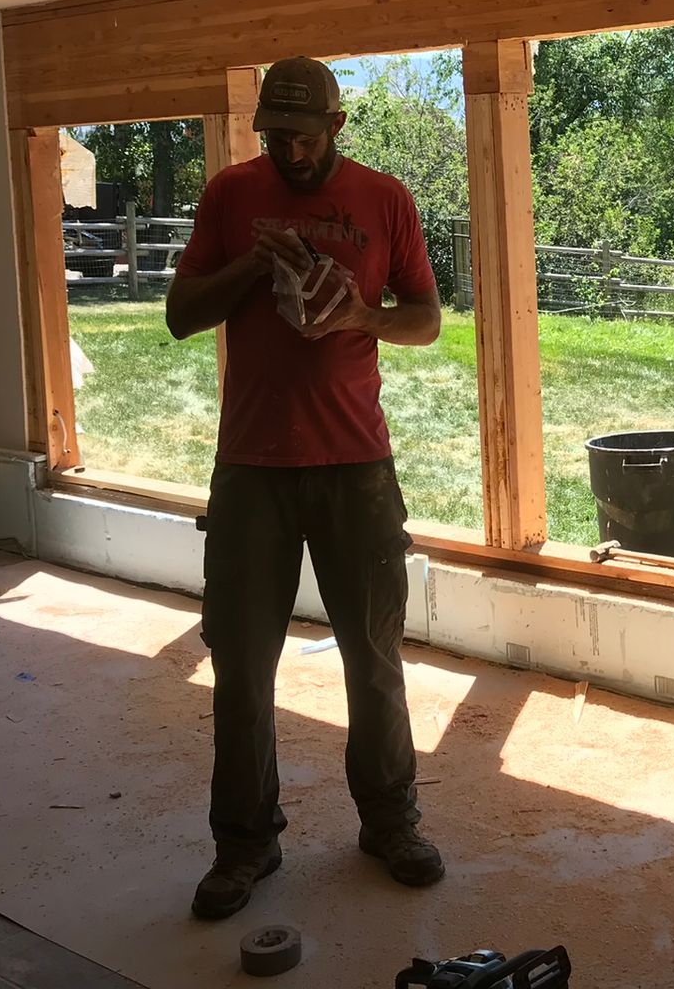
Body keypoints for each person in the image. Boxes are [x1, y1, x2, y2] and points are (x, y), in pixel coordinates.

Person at [165, 55, 445, 920]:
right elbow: (181, 314)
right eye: (273, 137)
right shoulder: (230, 196)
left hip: (357, 466)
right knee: (243, 665)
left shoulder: (383, 199)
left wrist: (362, 315)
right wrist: (254, 267)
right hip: (252, 466)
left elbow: (428, 320)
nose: (287, 151)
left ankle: (390, 821)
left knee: (374, 656)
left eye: (303, 136)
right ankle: (245, 845)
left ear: (337, 127)